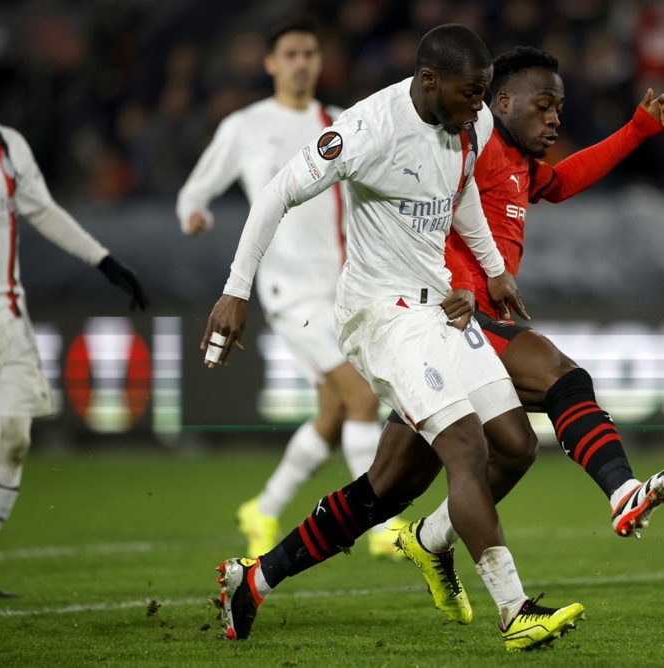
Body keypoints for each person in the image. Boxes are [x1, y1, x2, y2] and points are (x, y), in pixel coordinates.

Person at [204, 24, 584, 651]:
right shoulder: (367, 131)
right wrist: (235, 289)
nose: (478, 109)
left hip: (441, 309)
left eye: (485, 94)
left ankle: (257, 578)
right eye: (469, 94)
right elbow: (276, 192)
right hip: (380, 316)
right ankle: (515, 611)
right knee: (466, 449)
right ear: (429, 81)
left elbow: (459, 196)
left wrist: (494, 272)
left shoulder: (472, 123)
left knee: (505, 447)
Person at [383, 45, 664, 624]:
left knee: (497, 454)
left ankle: (423, 540)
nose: (555, 118)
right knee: (560, 376)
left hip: (473, 321)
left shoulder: (521, 163)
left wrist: (635, 130)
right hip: (446, 317)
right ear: (499, 101)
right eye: (543, 105)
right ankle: (621, 494)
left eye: (559, 107)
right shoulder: (467, 144)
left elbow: (561, 181)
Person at [175, 20, 404, 560]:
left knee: (333, 411)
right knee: (361, 397)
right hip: (286, 293)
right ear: (271, 63)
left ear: (319, 64)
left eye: (309, 53)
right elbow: (195, 189)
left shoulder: (338, 122)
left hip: (342, 288)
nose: (301, 62)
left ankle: (264, 505)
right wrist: (194, 212)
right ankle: (378, 525)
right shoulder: (245, 126)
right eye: (291, 53)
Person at [0, 124, 149, 597]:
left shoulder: (9, 145)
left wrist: (104, 262)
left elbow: (42, 210)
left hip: (8, 316)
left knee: (14, 437)